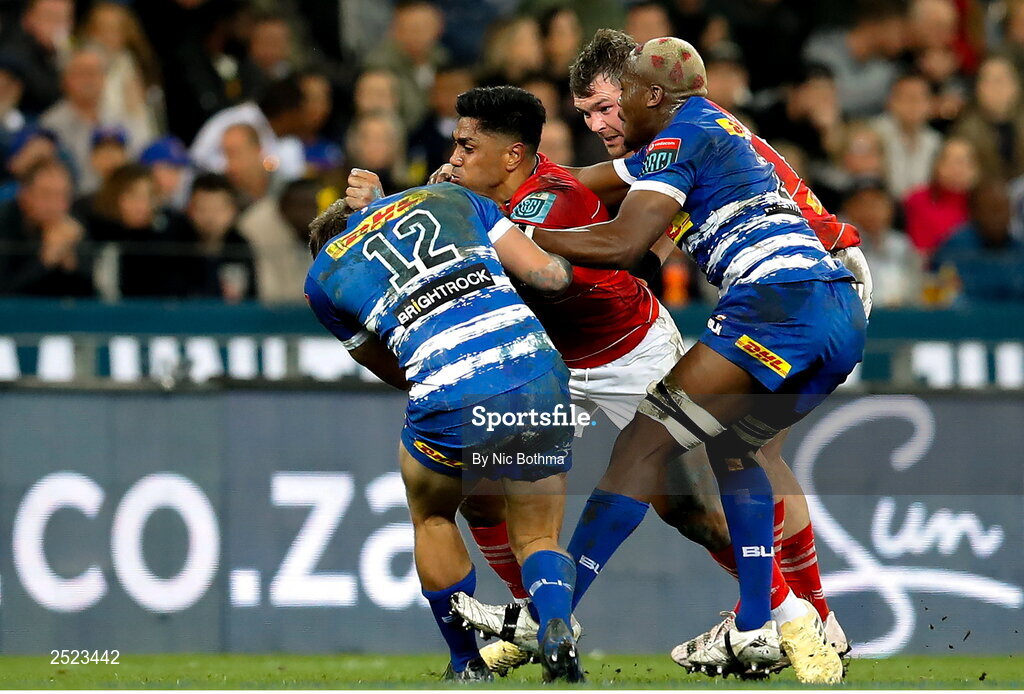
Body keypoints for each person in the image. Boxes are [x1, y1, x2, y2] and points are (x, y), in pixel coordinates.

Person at [532, 37, 864, 683]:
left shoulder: (677, 136)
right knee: (740, 447)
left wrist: (509, 233)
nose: (602, 123)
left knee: (649, 444)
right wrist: (525, 184)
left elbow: (627, 241)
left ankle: (552, 616)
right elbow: (606, 195)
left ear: (648, 94)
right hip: (834, 304)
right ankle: (777, 623)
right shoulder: (698, 123)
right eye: (589, 113)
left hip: (788, 291)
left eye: (610, 105)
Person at [344, 84, 683, 674]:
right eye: (455, 144)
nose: (454, 157)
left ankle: (789, 612)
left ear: (512, 156)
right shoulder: (473, 196)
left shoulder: (552, 199)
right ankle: (540, 615)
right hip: (543, 361)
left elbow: (512, 262)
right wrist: (416, 205)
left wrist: (386, 211)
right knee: (482, 500)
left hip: (627, 352)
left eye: (467, 147)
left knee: (691, 509)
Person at [305, 181, 582, 682]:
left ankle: (465, 664)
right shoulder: (453, 199)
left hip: (450, 387)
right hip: (537, 369)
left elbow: (395, 371)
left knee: (432, 515)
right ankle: (555, 622)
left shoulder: (323, 277)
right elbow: (549, 276)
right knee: (538, 535)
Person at [189, 75, 307, 185]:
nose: (311, 117)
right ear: (289, 113)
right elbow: (198, 158)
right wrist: (238, 169)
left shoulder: (292, 143)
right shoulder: (236, 119)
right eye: (306, 110)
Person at [0, 157, 92, 296]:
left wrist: (71, 263)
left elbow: (93, 296)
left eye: (63, 195)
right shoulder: (4, 221)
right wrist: (45, 260)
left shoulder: (74, 225)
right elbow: (5, 291)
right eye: (46, 194)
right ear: (25, 195)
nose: (55, 205)